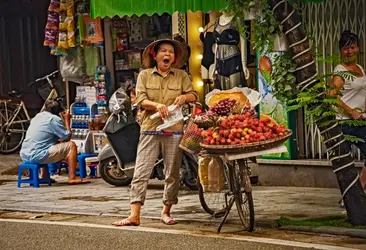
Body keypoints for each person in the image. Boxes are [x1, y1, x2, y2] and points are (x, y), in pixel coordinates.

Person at [112, 39, 197, 227]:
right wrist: (157, 105)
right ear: (155, 55)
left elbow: (194, 95)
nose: (167, 55)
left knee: (172, 173)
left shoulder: (182, 75)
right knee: (141, 171)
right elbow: (140, 99)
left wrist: (184, 97)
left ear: (174, 58)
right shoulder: (144, 75)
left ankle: (166, 212)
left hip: (174, 129)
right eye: (164, 51)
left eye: (171, 52)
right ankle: (134, 214)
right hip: (150, 128)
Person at [20, 99, 90, 185]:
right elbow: (67, 137)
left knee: (47, 144)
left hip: (25, 154)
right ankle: (72, 177)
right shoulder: (54, 119)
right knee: (71, 145)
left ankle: (44, 175)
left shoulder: (37, 116)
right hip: (38, 155)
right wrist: (67, 120)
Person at [330, 30, 366, 193]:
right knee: (343, 163)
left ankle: (359, 189)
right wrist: (351, 111)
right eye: (345, 48)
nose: (349, 51)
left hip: (361, 122)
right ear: (341, 51)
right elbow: (331, 96)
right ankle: (350, 197)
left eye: (352, 47)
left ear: (358, 48)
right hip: (345, 124)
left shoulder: (360, 68)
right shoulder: (340, 71)